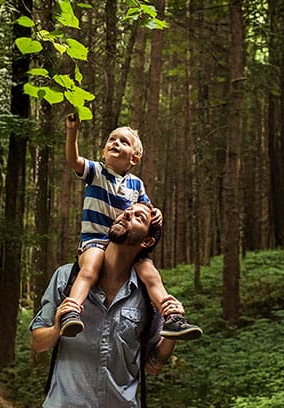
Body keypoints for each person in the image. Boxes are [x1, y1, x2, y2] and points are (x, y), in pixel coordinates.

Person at [30, 202, 181, 408]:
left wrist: (171, 336)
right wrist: (59, 327)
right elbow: (37, 342)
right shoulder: (67, 278)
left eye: (138, 216)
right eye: (126, 211)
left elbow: (153, 365)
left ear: (147, 240)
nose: (126, 214)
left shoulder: (148, 296)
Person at [60, 114, 201, 341]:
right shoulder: (96, 172)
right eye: (112, 140)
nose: (115, 143)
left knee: (150, 273)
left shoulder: (136, 184)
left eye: (123, 142)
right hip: (95, 239)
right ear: (104, 152)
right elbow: (73, 160)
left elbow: (146, 209)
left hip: (124, 243)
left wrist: (156, 213)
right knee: (90, 269)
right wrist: (72, 131)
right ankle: (71, 310)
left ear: (134, 158)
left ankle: (172, 316)